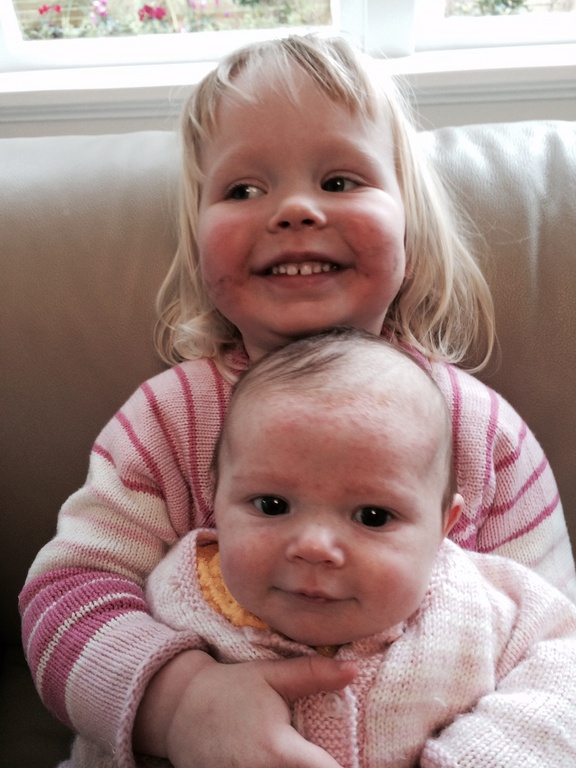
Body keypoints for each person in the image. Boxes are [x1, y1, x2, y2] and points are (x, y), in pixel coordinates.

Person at [19, 34, 576, 768]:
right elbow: (66, 595)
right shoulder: (167, 422)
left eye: (340, 180)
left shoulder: (483, 435)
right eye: (244, 190)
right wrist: (177, 705)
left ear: (409, 221)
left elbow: (559, 655)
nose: (295, 210)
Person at [69, 328, 576, 768]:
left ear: (444, 528)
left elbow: (564, 666)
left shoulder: (484, 604)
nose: (314, 547)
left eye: (373, 517)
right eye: (271, 505)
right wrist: (176, 707)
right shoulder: (176, 601)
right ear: (215, 500)